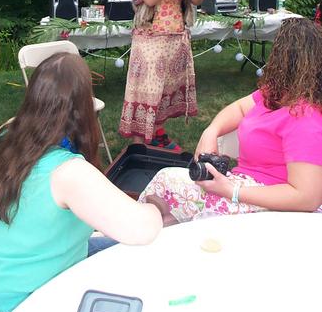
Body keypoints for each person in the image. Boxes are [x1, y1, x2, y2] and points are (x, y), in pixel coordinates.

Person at [0, 53, 164, 312]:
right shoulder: (67, 172)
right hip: (16, 309)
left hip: (1, 290)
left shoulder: (5, 134)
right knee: (146, 259)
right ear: (84, 109)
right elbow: (142, 230)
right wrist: (156, 207)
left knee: (129, 256)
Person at [138, 17, 322, 223]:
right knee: (164, 202)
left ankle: (142, 229)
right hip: (246, 187)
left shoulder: (305, 118)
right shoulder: (277, 94)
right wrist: (211, 131)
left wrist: (232, 191)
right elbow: (239, 108)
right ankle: (157, 226)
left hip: (273, 207)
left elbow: (307, 198)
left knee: (165, 183)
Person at [118, 0, 205, 152]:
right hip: (150, 39)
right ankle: (138, 146)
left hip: (175, 37)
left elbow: (196, 0)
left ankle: (157, 134)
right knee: (145, 93)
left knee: (165, 91)